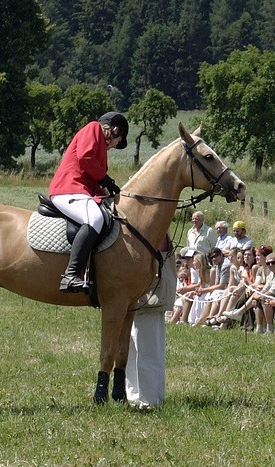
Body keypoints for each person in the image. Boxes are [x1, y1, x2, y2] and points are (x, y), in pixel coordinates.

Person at [49, 112, 128, 292]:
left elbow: (93, 179)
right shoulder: (93, 128)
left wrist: (107, 192)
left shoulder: (101, 149)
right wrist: (106, 180)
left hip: (81, 192)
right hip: (68, 188)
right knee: (95, 218)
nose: (115, 146)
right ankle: (70, 275)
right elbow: (85, 158)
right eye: (119, 141)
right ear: (115, 131)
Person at [125, 236, 175, 408]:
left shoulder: (159, 223)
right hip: (134, 295)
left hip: (151, 295)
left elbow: (159, 246)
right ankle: (133, 395)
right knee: (131, 348)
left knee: (148, 349)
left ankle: (150, 399)